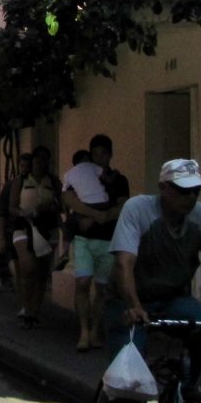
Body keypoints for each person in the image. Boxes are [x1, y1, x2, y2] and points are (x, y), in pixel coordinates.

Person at [108, 158, 201, 359]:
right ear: (163, 188)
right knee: (127, 371)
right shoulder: (138, 209)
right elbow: (124, 263)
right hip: (130, 298)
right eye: (184, 191)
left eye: (196, 191)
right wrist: (134, 306)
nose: (191, 197)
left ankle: (186, 385)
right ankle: (119, 388)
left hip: (173, 298)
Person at [63, 134, 131, 352]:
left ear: (110, 155)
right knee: (82, 283)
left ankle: (95, 330)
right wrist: (94, 214)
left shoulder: (119, 180)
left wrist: (103, 216)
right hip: (84, 239)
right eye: (94, 154)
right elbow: (70, 199)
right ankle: (83, 332)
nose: (98, 158)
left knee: (101, 288)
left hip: (107, 239)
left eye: (103, 153)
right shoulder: (82, 176)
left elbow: (122, 207)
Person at [9, 144, 61, 328]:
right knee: (28, 268)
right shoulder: (21, 180)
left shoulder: (53, 181)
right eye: (37, 159)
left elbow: (61, 204)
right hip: (24, 228)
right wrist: (25, 213)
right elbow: (12, 207)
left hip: (47, 229)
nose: (40, 163)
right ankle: (26, 305)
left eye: (44, 159)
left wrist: (47, 208)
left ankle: (34, 312)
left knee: (42, 271)